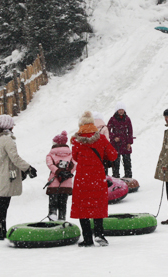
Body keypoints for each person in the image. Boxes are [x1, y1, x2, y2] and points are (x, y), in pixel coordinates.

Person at [71, 111, 118, 247]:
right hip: (97, 177)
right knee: (97, 206)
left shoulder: (76, 140)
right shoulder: (101, 138)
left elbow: (75, 157)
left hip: (82, 178)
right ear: (92, 124)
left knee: (83, 207)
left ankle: (87, 239)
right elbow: (113, 155)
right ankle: (99, 234)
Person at [0, 114, 37, 240]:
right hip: (5, 176)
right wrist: (28, 168)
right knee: (3, 205)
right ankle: (1, 230)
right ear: (9, 127)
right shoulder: (7, 139)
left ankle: (0, 229)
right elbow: (14, 158)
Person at [45, 130, 76, 221]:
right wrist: (69, 172)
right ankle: (62, 221)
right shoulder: (71, 154)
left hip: (54, 182)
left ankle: (52, 218)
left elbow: (50, 165)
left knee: (53, 204)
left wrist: (58, 171)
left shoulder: (50, 154)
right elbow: (75, 164)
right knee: (63, 204)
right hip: (66, 183)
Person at [107, 102, 134, 178]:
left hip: (125, 143)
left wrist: (129, 143)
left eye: (122, 109)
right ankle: (116, 176)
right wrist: (113, 137)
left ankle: (128, 176)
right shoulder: (112, 119)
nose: (121, 111)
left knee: (127, 161)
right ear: (117, 111)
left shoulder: (127, 119)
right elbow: (108, 130)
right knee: (115, 162)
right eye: (119, 110)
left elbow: (130, 131)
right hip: (115, 144)